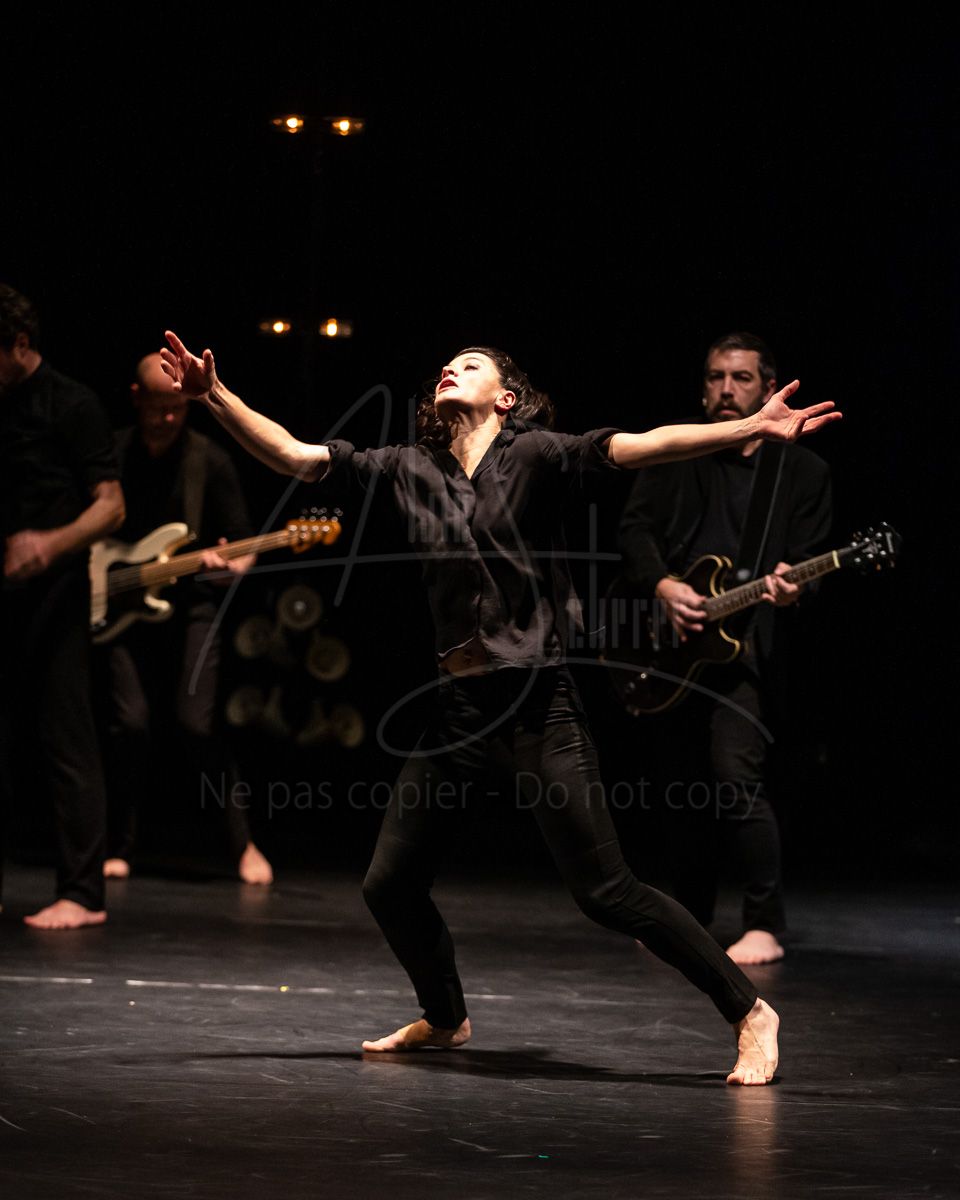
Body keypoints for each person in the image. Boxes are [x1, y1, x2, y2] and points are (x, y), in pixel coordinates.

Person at [158, 328, 841, 1085]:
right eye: (447, 363)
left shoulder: (538, 455)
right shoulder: (406, 466)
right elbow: (294, 455)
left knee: (606, 892)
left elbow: (643, 445)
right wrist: (213, 396)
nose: (450, 367)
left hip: (536, 704)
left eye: (472, 364)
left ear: (506, 397)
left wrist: (749, 429)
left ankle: (751, 1011)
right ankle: (445, 1016)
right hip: (456, 709)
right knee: (389, 883)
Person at [617, 332, 833, 964]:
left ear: (768, 388)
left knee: (736, 779)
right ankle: (688, 917)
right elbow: (634, 529)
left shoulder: (802, 472)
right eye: (715, 377)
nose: (726, 389)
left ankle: (764, 923)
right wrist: (663, 584)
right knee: (680, 786)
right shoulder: (677, 454)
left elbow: (810, 564)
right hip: (673, 644)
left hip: (746, 649)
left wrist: (795, 587)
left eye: (740, 378)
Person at [97, 353, 273, 885]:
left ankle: (243, 844)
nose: (168, 417)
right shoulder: (111, 453)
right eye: (158, 407)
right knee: (128, 725)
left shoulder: (208, 461)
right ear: (136, 399)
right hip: (117, 606)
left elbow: (244, 546)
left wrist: (230, 569)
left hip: (193, 604)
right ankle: (119, 844)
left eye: (176, 408)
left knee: (197, 724)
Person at [0, 283, 125, 928]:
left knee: (66, 739)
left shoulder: (72, 403)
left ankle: (82, 894)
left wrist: (47, 546)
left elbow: (112, 506)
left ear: (19, 343)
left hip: (54, 595)